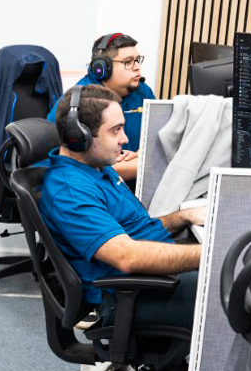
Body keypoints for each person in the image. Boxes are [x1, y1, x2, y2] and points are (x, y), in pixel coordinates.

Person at [39, 84, 205, 330]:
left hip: (148, 281)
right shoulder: (71, 191)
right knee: (239, 286)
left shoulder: (98, 167)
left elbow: (137, 228)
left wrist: (183, 216)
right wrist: (213, 253)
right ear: (78, 137)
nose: (125, 139)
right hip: (130, 296)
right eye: (115, 130)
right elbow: (127, 257)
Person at [47, 33, 156, 183]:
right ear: (102, 68)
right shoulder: (81, 101)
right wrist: (148, 165)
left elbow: (156, 135)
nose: (137, 67)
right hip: (99, 186)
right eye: (128, 62)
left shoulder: (142, 91)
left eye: (137, 60)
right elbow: (74, 166)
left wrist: (141, 153)